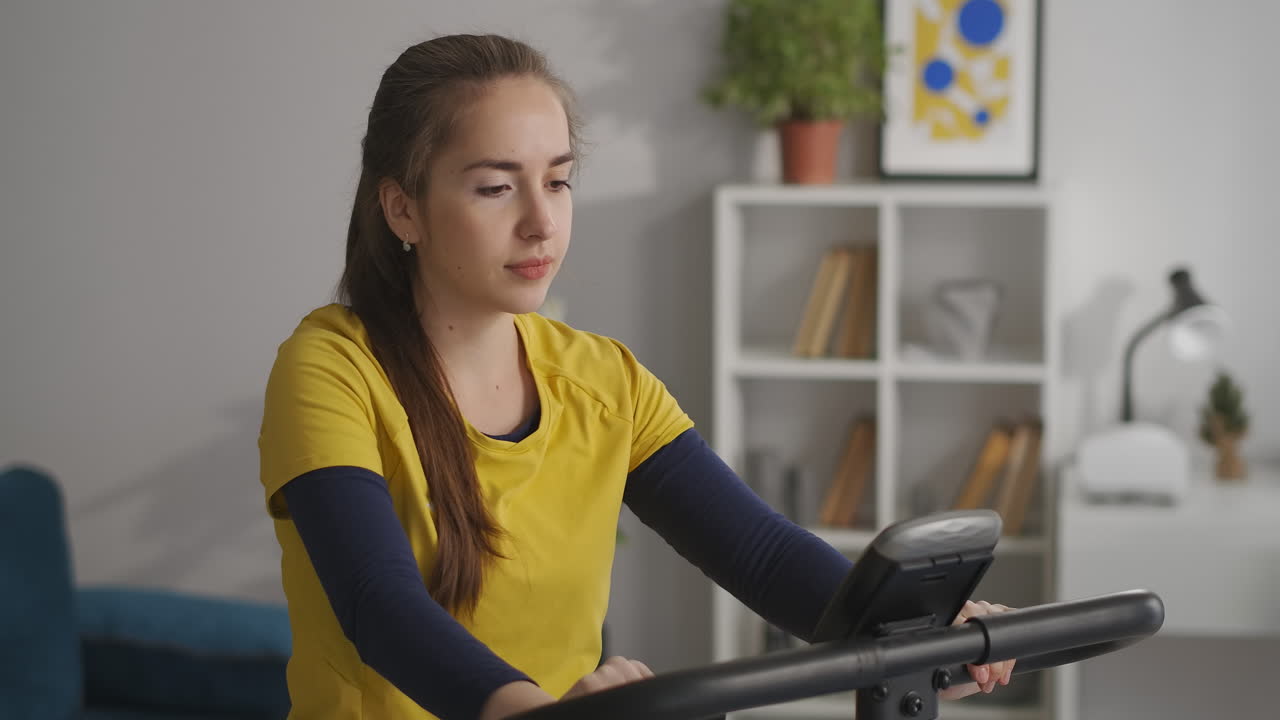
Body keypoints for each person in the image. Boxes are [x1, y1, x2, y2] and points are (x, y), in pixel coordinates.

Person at [257, 33, 1017, 720]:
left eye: (556, 181)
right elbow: (377, 603)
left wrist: (923, 634)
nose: (541, 222)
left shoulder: (602, 380)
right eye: (496, 187)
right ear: (402, 209)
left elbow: (761, 553)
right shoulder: (330, 369)